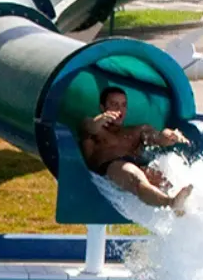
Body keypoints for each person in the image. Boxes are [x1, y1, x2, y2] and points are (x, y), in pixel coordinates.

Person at [81, 86, 193, 214]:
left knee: (162, 180)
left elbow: (158, 136)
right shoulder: (95, 130)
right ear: (102, 108)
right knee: (136, 176)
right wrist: (100, 119)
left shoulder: (135, 131)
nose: (119, 109)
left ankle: (184, 208)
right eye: (114, 104)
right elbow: (90, 126)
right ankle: (170, 203)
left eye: (123, 105)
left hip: (136, 166)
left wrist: (171, 135)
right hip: (109, 169)